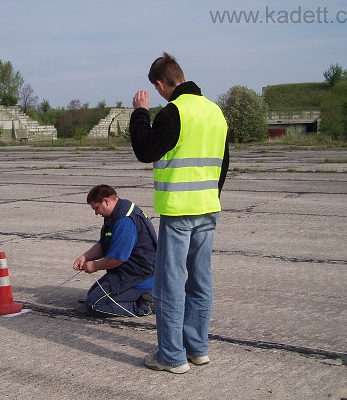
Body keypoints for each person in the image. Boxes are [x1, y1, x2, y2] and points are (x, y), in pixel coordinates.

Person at [130, 52, 229, 373]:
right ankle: (197, 349)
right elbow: (223, 164)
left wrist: (140, 113)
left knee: (169, 285)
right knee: (200, 281)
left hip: (179, 212)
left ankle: (172, 356)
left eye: (156, 89)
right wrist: (209, 197)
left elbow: (146, 150)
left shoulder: (175, 112)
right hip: (208, 209)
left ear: (160, 84)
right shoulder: (215, 111)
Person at [73, 184, 157, 317]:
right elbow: (105, 243)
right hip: (128, 272)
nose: (96, 213)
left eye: (96, 208)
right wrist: (85, 257)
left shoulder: (125, 221)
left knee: (94, 305)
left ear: (106, 201)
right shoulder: (116, 213)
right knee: (91, 295)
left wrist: (95, 266)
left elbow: (117, 259)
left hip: (139, 276)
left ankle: (144, 306)